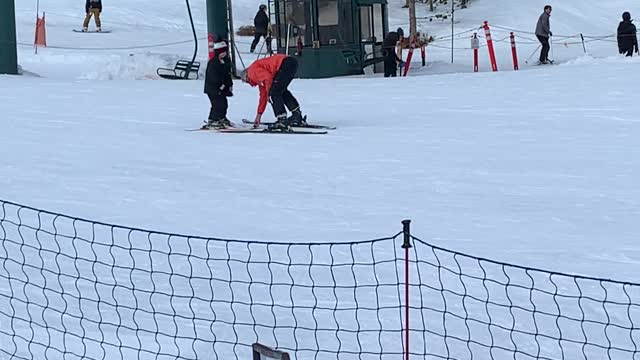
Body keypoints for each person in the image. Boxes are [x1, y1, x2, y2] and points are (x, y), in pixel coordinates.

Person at [240, 54, 307, 130]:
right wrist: (259, 115)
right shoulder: (259, 78)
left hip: (284, 64)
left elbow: (267, 78)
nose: (249, 84)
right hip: (291, 62)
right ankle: (296, 115)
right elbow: (263, 96)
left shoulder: (251, 72)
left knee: (274, 92)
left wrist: (269, 93)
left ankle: (282, 120)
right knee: (281, 91)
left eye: (246, 82)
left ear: (246, 77)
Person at [202, 40, 234, 129]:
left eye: (225, 52)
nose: (224, 54)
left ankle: (221, 118)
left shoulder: (225, 62)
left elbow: (227, 74)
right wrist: (221, 85)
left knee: (224, 103)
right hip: (213, 88)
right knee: (217, 104)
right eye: (222, 52)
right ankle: (213, 120)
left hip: (222, 88)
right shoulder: (213, 63)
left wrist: (229, 84)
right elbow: (214, 77)